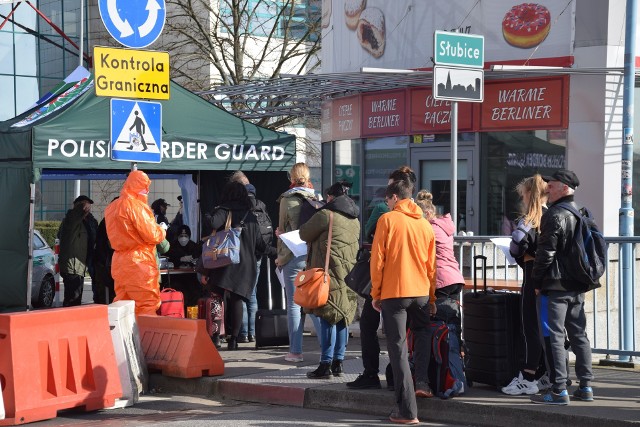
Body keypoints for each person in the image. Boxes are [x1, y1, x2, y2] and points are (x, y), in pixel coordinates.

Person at [370, 179, 436, 425]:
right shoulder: (425, 225)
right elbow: (432, 267)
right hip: (420, 291)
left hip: (395, 291)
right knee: (422, 334)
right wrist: (431, 297)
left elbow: (377, 261)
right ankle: (423, 382)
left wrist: (376, 293)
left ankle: (407, 409)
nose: (387, 204)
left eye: (387, 200)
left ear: (395, 198)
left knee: (397, 348)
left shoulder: (387, 220)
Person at [347, 166, 417, 390]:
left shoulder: (383, 212)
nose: (386, 196)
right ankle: (403, 376)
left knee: (371, 325)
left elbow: (371, 241)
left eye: (389, 189)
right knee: (402, 333)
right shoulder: (420, 214)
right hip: (413, 282)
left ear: (396, 191)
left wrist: (375, 292)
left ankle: (372, 373)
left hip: (386, 280)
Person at [531, 169, 595, 405]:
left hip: (554, 286)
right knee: (579, 335)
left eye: (552, 184)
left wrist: (537, 283)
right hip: (576, 285)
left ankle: (559, 390)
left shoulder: (554, 214)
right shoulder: (581, 212)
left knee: (553, 337)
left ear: (565, 188)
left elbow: (545, 253)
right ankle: (586, 387)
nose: (547, 187)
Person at [196, 181, 268, 350]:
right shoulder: (250, 216)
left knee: (216, 298)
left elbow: (212, 224)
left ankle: (216, 336)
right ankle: (234, 340)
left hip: (223, 262)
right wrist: (276, 252)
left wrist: (207, 215)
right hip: (244, 266)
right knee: (237, 300)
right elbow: (260, 244)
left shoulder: (223, 210)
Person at [299, 181, 360, 379]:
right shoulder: (355, 220)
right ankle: (338, 363)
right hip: (348, 275)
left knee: (327, 316)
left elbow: (303, 233)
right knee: (342, 316)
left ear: (331, 198)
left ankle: (325, 364)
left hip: (328, 275)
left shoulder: (326, 215)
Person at [501, 175, 550, 395]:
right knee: (550, 329)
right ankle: (549, 374)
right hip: (554, 279)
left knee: (530, 324)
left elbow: (517, 245)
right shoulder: (554, 215)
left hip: (533, 276)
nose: (521, 198)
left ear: (531, 194)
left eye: (523, 194)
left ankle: (529, 375)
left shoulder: (531, 219)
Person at [415, 189, 466, 394]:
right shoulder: (444, 226)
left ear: (426, 214)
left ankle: (452, 380)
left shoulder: (429, 229)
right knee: (452, 330)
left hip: (441, 282)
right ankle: (457, 375)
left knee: (444, 334)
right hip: (454, 279)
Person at [105, 170, 167, 316]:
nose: (147, 191)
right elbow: (152, 235)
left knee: (122, 304)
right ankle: (147, 338)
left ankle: (122, 338)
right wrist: (162, 230)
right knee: (147, 304)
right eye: (145, 187)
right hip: (139, 262)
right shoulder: (136, 207)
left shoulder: (112, 207)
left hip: (119, 261)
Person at [275, 162, 320, 362]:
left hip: (292, 254)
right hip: (311, 254)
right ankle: (327, 349)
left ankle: (295, 352)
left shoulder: (287, 198)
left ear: (291, 177)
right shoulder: (315, 197)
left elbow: (282, 227)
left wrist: (280, 236)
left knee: (294, 305)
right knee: (314, 303)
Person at [228, 170, 276, 344]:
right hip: (257, 253)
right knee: (253, 293)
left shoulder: (236, 204)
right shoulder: (260, 204)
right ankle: (253, 333)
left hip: (239, 254)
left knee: (240, 294)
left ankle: (243, 332)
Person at [57, 195, 98, 307]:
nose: (87, 208)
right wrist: (80, 209)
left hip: (82, 264)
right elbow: (73, 217)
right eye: (83, 205)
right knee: (72, 299)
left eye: (88, 205)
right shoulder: (70, 220)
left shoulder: (90, 221)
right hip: (72, 266)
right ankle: (67, 322)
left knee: (77, 298)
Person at [164, 224, 202, 308]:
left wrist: (192, 260)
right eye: (181, 235)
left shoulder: (194, 246)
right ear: (177, 236)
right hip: (176, 278)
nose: (183, 238)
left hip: (191, 277)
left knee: (195, 291)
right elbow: (169, 257)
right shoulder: (172, 246)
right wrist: (179, 259)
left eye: (185, 235)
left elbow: (198, 257)